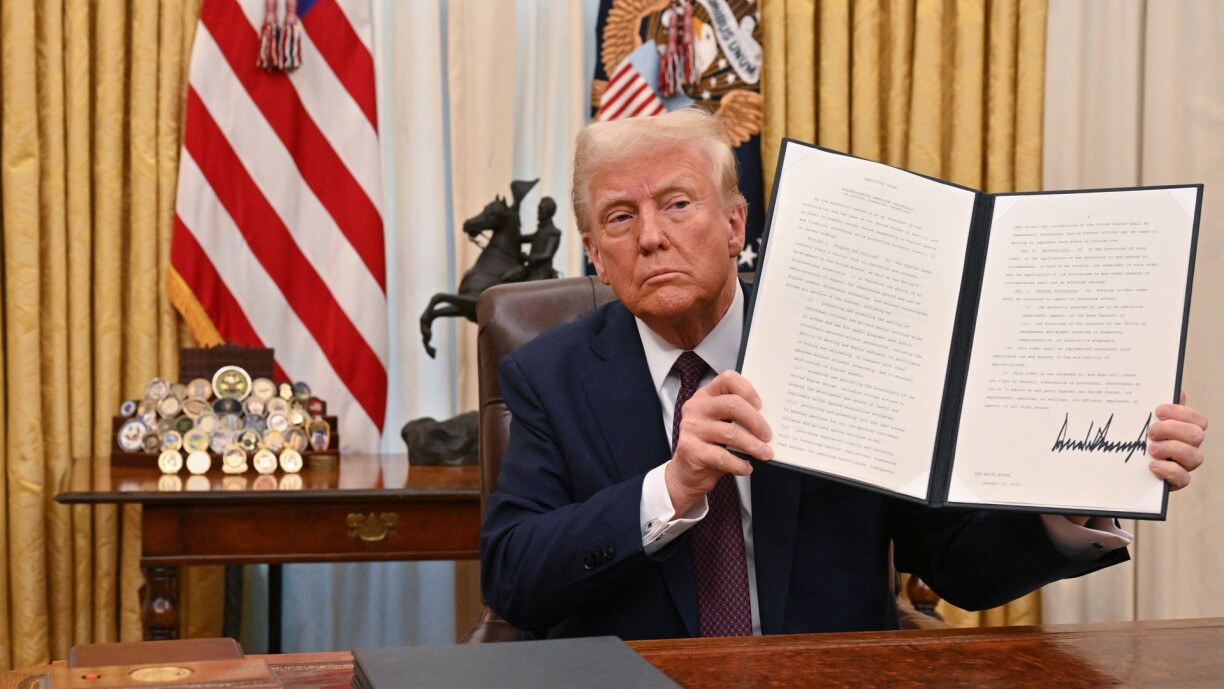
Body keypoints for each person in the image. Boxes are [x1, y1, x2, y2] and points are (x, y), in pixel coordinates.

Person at [479, 108, 1208, 640]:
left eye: (677, 203)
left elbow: (956, 562)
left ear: (735, 225)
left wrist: (1091, 485)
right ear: (594, 255)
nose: (651, 237)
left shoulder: (845, 341)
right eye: (618, 218)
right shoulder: (549, 373)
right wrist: (670, 489)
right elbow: (513, 578)